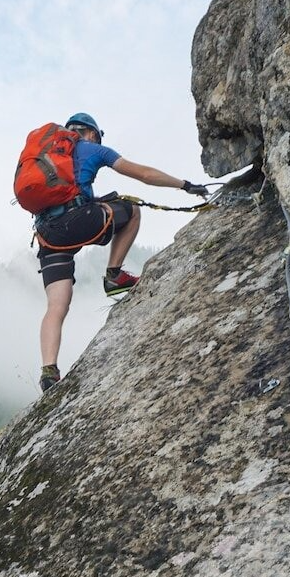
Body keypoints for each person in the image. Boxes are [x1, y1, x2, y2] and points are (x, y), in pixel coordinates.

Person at [35, 112, 207, 393]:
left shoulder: (48, 158)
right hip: (78, 222)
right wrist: (185, 185)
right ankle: (114, 275)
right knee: (132, 210)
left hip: (47, 235)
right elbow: (144, 174)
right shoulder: (92, 148)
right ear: (91, 133)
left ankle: (48, 371)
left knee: (56, 306)